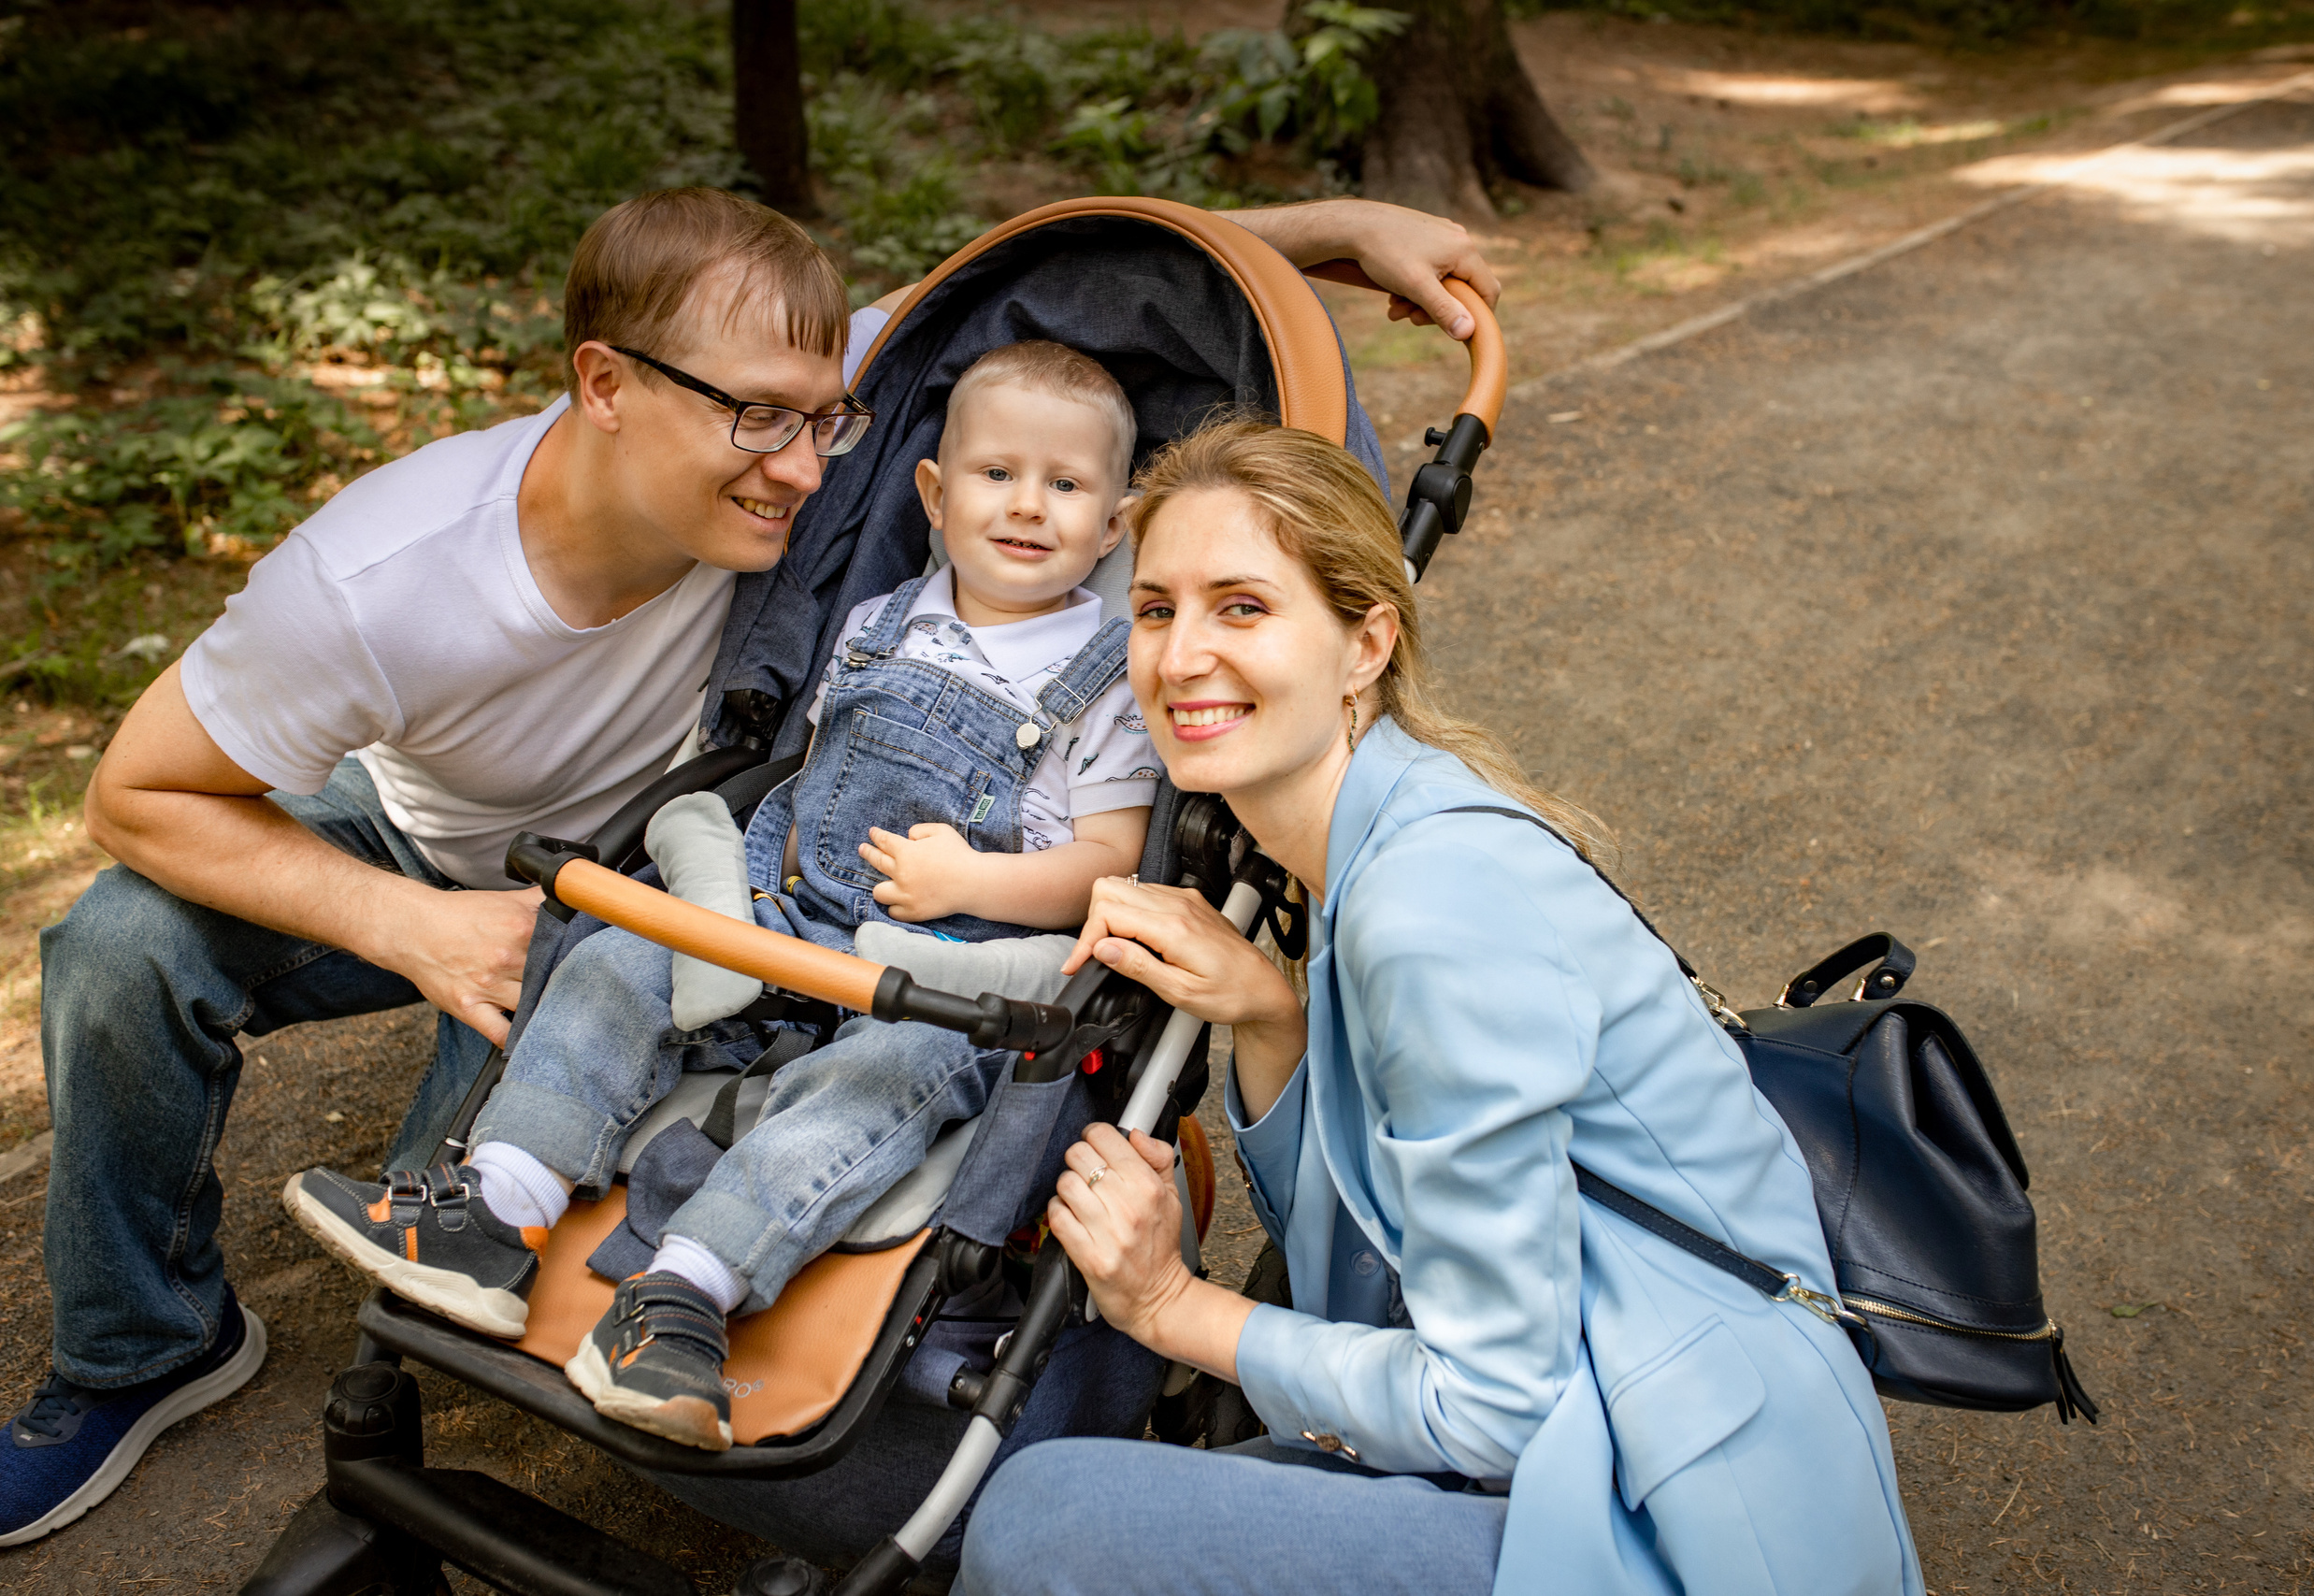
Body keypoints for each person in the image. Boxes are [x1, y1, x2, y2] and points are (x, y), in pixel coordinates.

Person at [4, 182, 1501, 1547]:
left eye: (827, 421)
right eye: (762, 425)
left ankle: (673, 1294)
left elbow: (1047, 280)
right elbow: (133, 791)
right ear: (605, 386)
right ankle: (146, 1344)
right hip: (507, 862)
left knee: (590, 1151)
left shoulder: (869, 456)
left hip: (812, 921)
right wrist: (419, 925)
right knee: (137, 946)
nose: (802, 467)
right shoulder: (387, 575)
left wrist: (1340, 231)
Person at [953, 421, 1925, 1596]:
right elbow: (1364, 1279)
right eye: (1155, 610)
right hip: (1629, 1424)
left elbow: (1490, 1407)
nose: (1180, 656)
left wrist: (1167, 1306)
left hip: (1679, 1519)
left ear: (1366, 642)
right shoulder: (1379, 841)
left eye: (1243, 608)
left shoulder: (1428, 910)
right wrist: (1269, 1018)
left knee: (1045, 1514)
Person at [282, 339, 1158, 1452]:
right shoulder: (878, 619)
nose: (1028, 505)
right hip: (783, 923)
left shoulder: (1108, 673)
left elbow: (1109, 858)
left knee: (869, 1090)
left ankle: (687, 1295)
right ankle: (500, 1204)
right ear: (932, 495)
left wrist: (975, 880)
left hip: (940, 977)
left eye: (1067, 485)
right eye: (996, 475)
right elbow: (808, 776)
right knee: (615, 959)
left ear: (1115, 524)